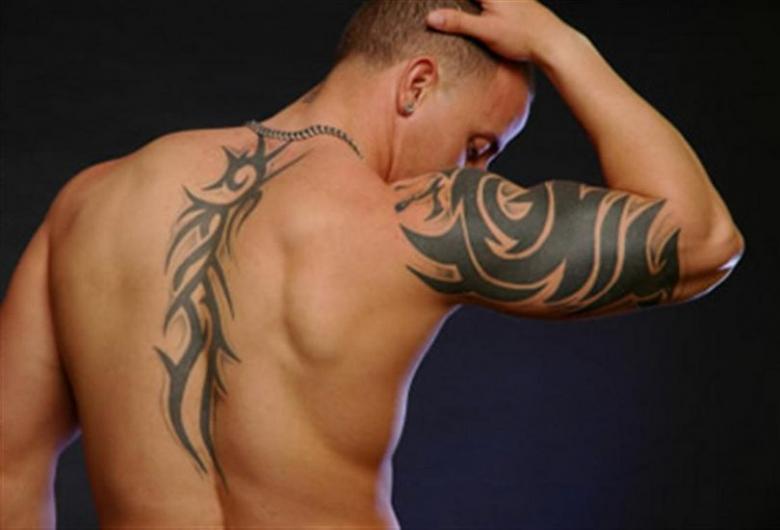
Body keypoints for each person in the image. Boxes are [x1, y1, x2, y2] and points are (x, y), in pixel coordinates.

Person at [0, 0, 745, 528]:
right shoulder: (413, 219)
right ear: (417, 84)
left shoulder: (88, 203)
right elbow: (703, 241)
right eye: (479, 146)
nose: (475, 174)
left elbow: (7, 471)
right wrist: (561, 42)